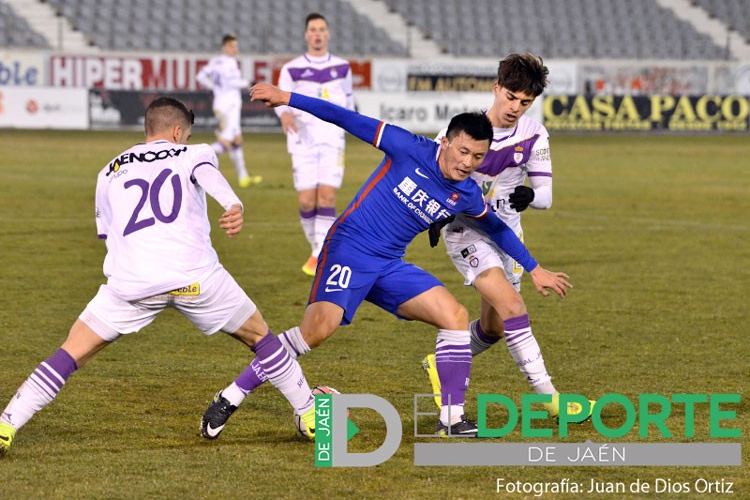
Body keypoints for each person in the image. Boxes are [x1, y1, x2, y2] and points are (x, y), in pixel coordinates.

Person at [198, 83, 572, 439]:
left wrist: (535, 268)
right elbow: (344, 116)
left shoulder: (467, 194)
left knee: (454, 317)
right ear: (445, 142)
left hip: (389, 264)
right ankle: (232, 394)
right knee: (316, 331)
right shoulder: (407, 146)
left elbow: (498, 230)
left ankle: (451, 418)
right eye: (462, 152)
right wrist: (286, 97)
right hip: (349, 248)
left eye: (477, 157)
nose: (467, 163)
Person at [0, 97, 315, 457]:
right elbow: (210, 179)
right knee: (261, 337)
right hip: (195, 278)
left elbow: (108, 234)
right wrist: (233, 205)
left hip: (133, 284)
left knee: (70, 354)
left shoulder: (108, 171)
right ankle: (308, 415)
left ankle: (6, 424)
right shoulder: (193, 153)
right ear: (179, 131)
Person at [421, 53, 596, 420]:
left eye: (525, 102)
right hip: (467, 232)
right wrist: (436, 215)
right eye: (511, 97)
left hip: (508, 236)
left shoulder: (534, 134)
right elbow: (431, 179)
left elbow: (545, 197)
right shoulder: (465, 131)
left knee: (495, 327)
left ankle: (442, 362)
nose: (515, 107)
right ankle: (552, 399)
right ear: (496, 88)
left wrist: (530, 196)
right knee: (515, 307)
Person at [274, 13, 355, 277]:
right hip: (302, 140)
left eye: (322, 29)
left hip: (332, 140)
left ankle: (319, 252)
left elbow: (349, 103)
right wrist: (283, 114)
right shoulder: (292, 69)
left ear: (328, 34)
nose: (318, 34)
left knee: (328, 197)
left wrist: (351, 126)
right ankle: (316, 246)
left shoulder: (343, 67)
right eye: (313, 29)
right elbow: (279, 100)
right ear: (306, 34)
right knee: (307, 201)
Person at [196, 33, 262, 188]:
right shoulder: (230, 63)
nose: (235, 49)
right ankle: (195, 158)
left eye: (236, 46)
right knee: (226, 142)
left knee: (236, 141)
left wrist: (214, 87)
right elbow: (231, 81)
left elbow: (200, 77)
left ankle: (243, 177)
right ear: (224, 47)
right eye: (232, 46)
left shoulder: (214, 62)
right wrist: (248, 82)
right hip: (229, 106)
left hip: (222, 103)